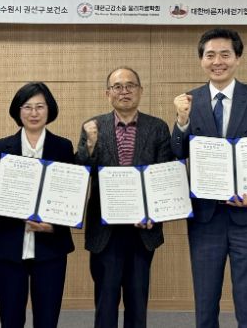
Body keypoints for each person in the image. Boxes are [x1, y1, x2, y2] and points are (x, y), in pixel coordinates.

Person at [171, 28, 247, 328]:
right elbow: (176, 152)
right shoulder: (189, 101)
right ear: (201, 60)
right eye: (210, 55)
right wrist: (181, 120)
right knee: (205, 299)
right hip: (206, 217)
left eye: (225, 54)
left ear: (238, 58)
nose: (218, 61)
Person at [77, 67, 172, 328]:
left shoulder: (157, 127)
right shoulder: (92, 126)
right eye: (117, 87)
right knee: (105, 302)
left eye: (130, 86)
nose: (124, 91)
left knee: (137, 302)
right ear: (107, 93)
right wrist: (90, 145)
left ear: (140, 91)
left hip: (142, 230)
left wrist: (153, 212)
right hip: (105, 231)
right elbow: (81, 173)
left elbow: (164, 176)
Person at [0, 82, 75, 328]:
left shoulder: (63, 147)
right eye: (27, 107)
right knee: (10, 319)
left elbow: (71, 195)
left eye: (40, 107)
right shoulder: (2, 146)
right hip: (8, 244)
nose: (34, 113)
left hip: (50, 247)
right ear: (18, 111)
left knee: (47, 319)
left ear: (49, 110)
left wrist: (53, 225)